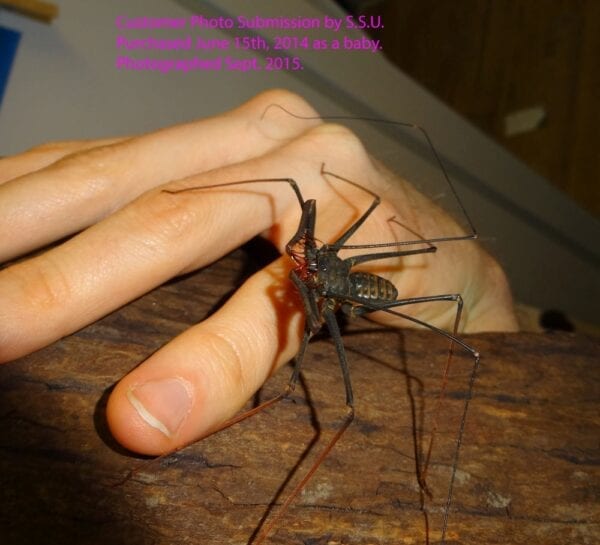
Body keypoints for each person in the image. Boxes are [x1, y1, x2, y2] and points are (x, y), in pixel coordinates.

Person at [0, 89, 517, 456]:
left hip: (359, 292)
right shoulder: (315, 258)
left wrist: (479, 292)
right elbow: (304, 201)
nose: (303, 264)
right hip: (335, 274)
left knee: (312, 388)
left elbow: (326, 309)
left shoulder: (328, 292)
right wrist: (181, 192)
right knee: (300, 192)